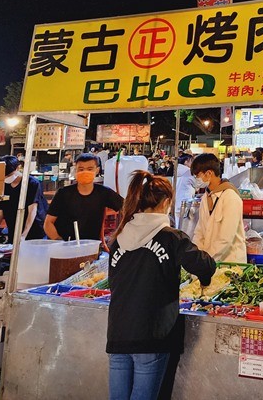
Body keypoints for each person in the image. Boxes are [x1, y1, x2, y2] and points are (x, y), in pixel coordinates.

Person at [107, 171, 218, 400]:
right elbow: (205, 265)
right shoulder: (171, 238)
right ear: (167, 202)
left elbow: (114, 283)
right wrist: (205, 281)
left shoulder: (118, 240)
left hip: (118, 333)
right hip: (153, 335)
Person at [45, 152, 124, 242]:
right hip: (65, 247)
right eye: (81, 169)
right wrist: (60, 241)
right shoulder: (63, 194)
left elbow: (127, 208)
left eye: (90, 169)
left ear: (97, 170)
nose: (85, 172)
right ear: (76, 170)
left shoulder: (104, 193)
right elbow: (48, 223)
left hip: (91, 247)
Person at [190, 153, 247, 264]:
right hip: (209, 261)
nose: (196, 179)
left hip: (230, 262)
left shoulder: (230, 197)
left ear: (209, 173)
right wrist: (196, 255)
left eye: (197, 175)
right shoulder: (206, 197)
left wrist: (206, 260)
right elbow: (199, 231)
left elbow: (225, 238)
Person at [0, 155, 47, 241]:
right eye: (4, 176)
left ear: (18, 168)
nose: (6, 178)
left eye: (9, 175)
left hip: (34, 229)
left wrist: (23, 235)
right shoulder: (2, 185)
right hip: (13, 227)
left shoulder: (32, 183)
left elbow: (32, 211)